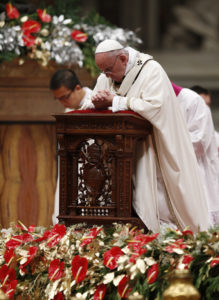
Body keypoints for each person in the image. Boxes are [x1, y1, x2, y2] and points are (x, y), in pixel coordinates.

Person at [81, 39, 210, 233]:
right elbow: (97, 100)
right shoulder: (106, 76)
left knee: (162, 204)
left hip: (154, 150)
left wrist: (116, 101)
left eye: (108, 69)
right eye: (102, 71)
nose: (105, 75)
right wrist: (97, 103)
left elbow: (155, 107)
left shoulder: (151, 71)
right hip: (121, 155)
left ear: (123, 59)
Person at [172, 82, 219, 225]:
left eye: (208, 105)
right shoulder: (178, 128)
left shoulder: (215, 136)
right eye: (202, 105)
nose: (205, 110)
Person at [50, 69, 92, 224]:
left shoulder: (96, 102)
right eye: (58, 99)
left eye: (65, 97)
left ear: (78, 88)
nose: (63, 102)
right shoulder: (69, 109)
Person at [190, 85, 219, 154]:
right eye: (202, 104)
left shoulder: (217, 138)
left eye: (208, 105)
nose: (206, 109)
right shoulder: (179, 134)